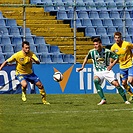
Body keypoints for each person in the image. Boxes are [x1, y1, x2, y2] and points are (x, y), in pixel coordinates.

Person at [77, 37, 130, 105]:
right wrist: (82, 67)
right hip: (98, 71)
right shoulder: (92, 52)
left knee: (116, 84)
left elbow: (116, 57)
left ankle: (125, 100)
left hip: (106, 70)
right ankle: (103, 99)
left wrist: (111, 65)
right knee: (96, 81)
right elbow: (86, 58)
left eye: (96, 44)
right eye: (94, 44)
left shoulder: (107, 51)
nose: (95, 46)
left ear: (100, 44)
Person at [111, 32, 133, 101]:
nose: (117, 39)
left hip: (130, 64)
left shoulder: (127, 44)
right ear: (114, 38)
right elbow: (111, 57)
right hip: (122, 67)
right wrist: (111, 63)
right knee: (123, 83)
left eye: (118, 38)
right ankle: (132, 95)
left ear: (121, 38)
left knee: (130, 80)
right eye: (116, 38)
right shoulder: (113, 47)